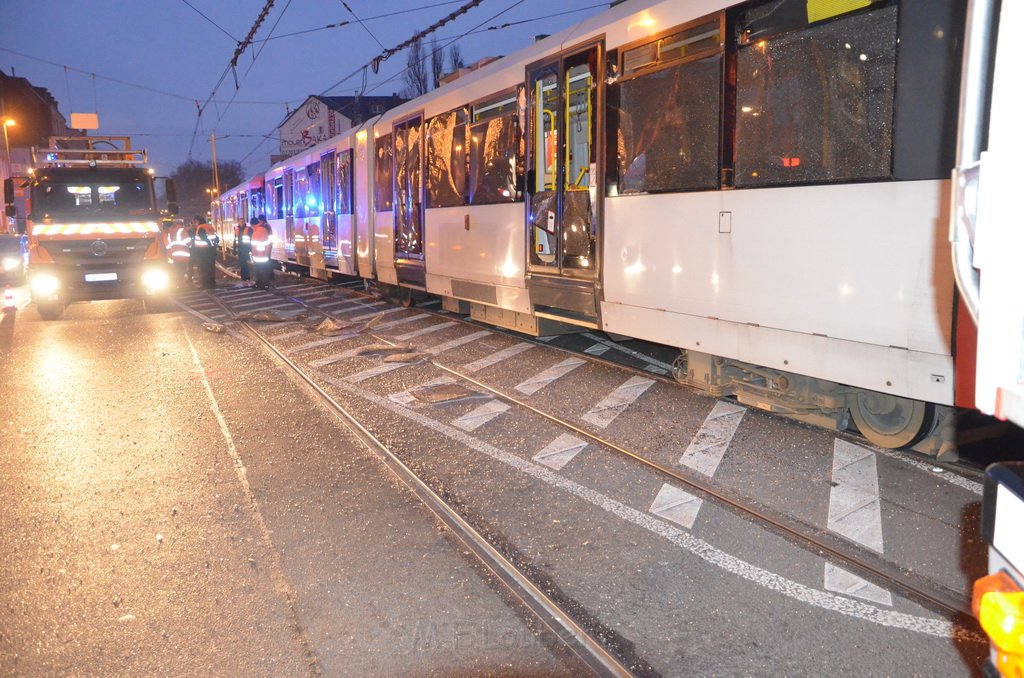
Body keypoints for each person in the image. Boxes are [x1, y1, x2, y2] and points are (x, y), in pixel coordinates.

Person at [190, 215, 217, 290]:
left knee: (203, 268)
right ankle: (211, 283)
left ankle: (205, 284)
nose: (194, 224)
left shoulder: (200, 228)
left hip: (202, 251)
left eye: (194, 222)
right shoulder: (209, 227)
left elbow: (204, 238)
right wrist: (212, 246)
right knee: (210, 268)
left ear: (197, 221)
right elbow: (216, 238)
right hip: (210, 251)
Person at [163, 219, 190, 288]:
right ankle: (181, 285)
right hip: (183, 253)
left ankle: (178, 284)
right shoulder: (182, 230)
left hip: (175, 253)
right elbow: (187, 241)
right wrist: (191, 246)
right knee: (182, 269)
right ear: (182, 224)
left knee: (177, 269)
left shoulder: (172, 231)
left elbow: (168, 243)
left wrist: (170, 252)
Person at [250, 214, 274, 290]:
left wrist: (254, 254)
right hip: (263, 254)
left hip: (259, 256)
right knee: (264, 269)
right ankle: (264, 284)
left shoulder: (257, 231)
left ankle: (260, 284)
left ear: (253, 225)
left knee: (260, 270)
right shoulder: (262, 229)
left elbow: (255, 245)